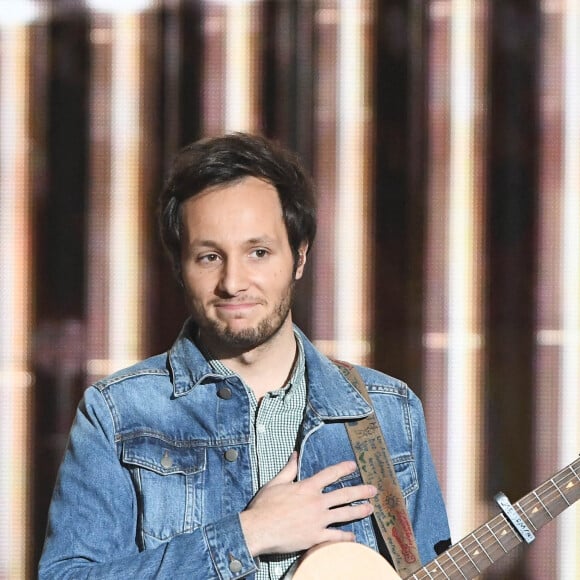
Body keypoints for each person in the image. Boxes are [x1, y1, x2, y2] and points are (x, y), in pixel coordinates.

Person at [39, 132, 450, 579]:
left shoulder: (389, 411)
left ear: (299, 256)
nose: (233, 282)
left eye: (258, 252)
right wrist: (248, 534)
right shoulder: (118, 414)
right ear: (179, 266)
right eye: (210, 256)